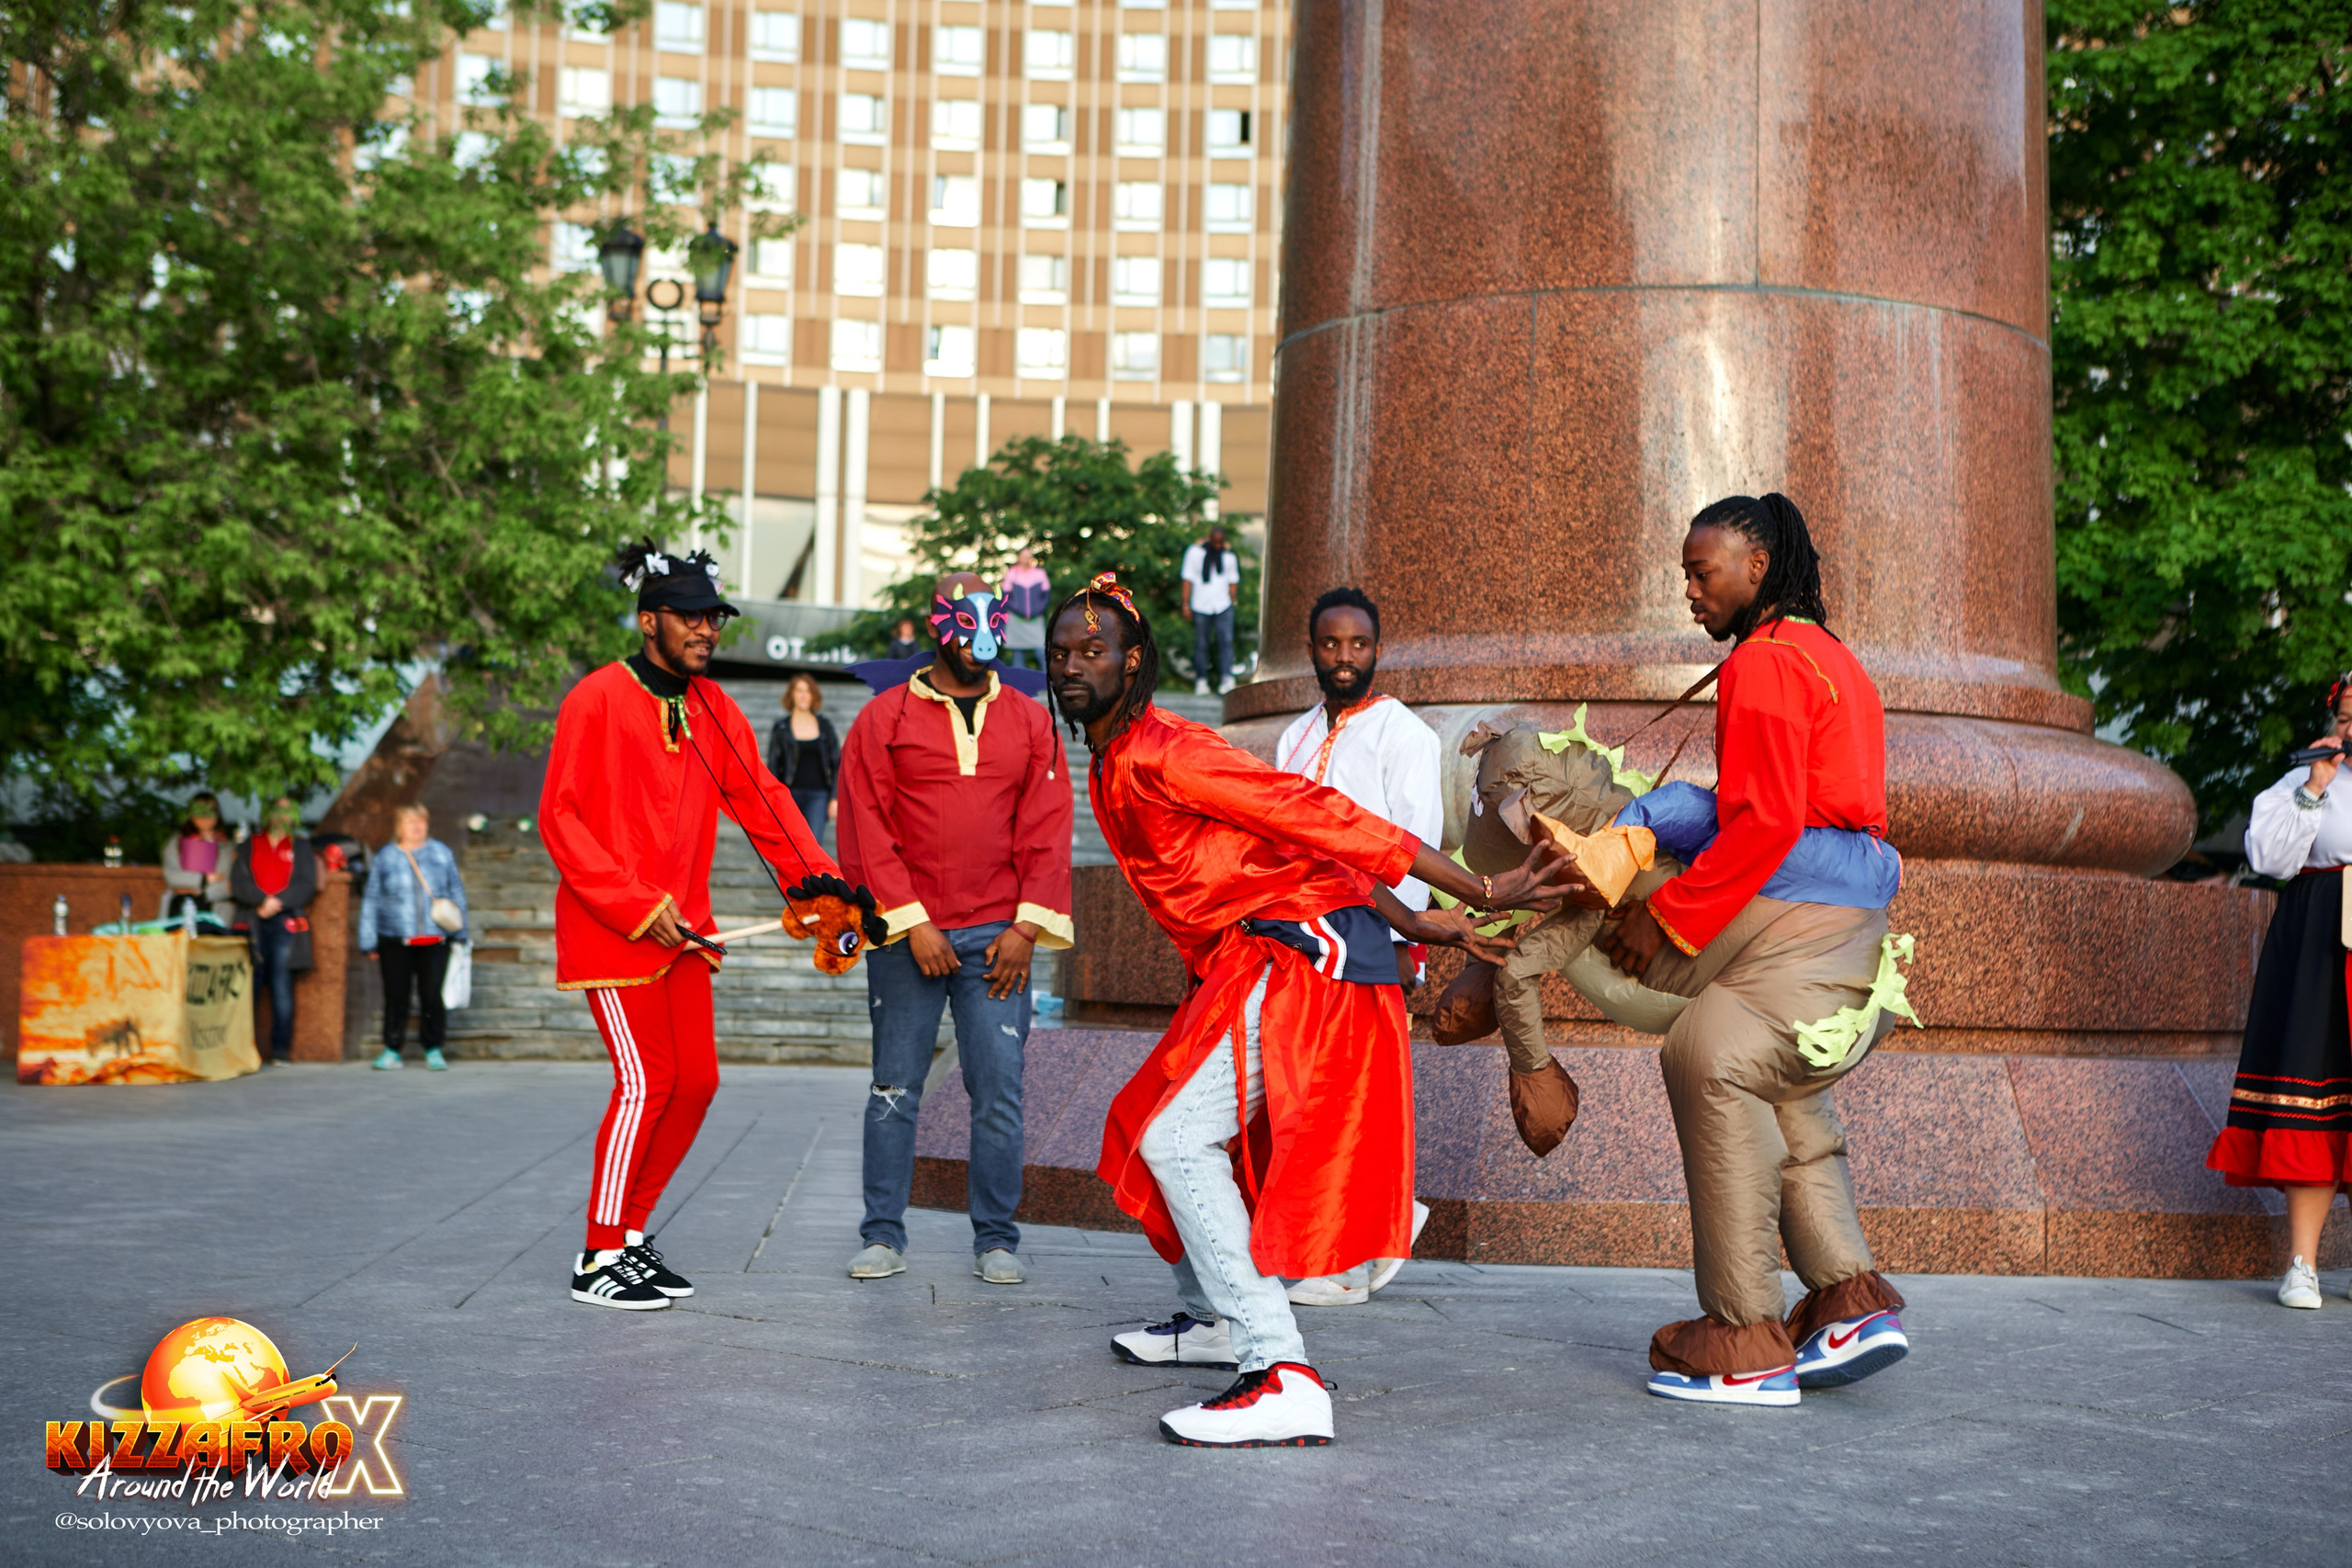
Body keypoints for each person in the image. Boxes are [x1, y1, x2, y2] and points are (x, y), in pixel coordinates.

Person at [1049, 572, 1572, 1447]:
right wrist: (1421, 920)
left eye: (1093, 651)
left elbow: (1318, 816)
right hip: (1255, 957)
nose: (1073, 665)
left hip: (1302, 963)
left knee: (1177, 1139)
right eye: (1061, 651)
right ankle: (1218, 1318)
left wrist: (1479, 886)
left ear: (1132, 661)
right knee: (1149, 1118)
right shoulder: (1110, 758)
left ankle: (1279, 1368)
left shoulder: (1167, 750)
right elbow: (1290, 852)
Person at [1596, 492, 1913, 1407]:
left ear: (1758, 569)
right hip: (1851, 925)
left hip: (1801, 911)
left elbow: (1765, 820)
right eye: (1686, 575)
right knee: (1783, 1097)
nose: (1691, 592)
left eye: (1703, 573)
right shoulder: (1829, 657)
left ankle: (1741, 1340)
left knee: (1710, 1057)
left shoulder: (1765, 663)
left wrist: (1671, 914)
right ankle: (1849, 1301)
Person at [541, 540, 873, 1313]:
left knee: (697, 1082)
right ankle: (597, 1253)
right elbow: (559, 819)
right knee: (645, 1082)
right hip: (613, 930)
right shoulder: (594, 696)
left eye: (712, 617)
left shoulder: (716, 708)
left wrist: (819, 885)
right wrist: (634, 904)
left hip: (687, 930)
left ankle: (627, 1235)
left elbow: (762, 799)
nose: (705, 629)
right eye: (689, 616)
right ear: (647, 618)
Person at [839, 572, 1074, 1284]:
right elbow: (865, 825)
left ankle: (997, 1237)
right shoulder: (883, 719)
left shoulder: (1031, 720)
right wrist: (911, 922)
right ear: (939, 626)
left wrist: (1027, 929)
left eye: (991, 625)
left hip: (998, 939)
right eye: (966, 625)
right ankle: (883, 1233)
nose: (980, 641)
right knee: (894, 1086)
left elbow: (1047, 828)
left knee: (998, 1086)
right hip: (910, 938)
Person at [1271, 586, 1443, 1308]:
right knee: (1311, 1096)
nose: (1345, 658)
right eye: (1331, 644)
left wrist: (1413, 949)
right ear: (1312, 649)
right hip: (1299, 938)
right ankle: (1368, 1227)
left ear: (1378, 650)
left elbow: (1419, 843)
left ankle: (1353, 1250)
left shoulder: (1404, 734)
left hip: (1373, 936)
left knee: (1358, 1100)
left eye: (1358, 645)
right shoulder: (1294, 735)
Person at [2207, 675, 2352, 1309]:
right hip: (2320, 936)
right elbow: (2268, 856)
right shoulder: (2302, 783)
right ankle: (2303, 1263)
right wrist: (2317, 786)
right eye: (2347, 715)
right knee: (2310, 1096)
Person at [359, 804, 469, 1072]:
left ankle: (433, 1048)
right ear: (399, 827)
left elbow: (456, 892)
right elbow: (371, 899)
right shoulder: (385, 856)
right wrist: (368, 940)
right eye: (410, 822)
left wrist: (460, 933)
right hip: (395, 938)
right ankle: (392, 1049)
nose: (416, 827)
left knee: (432, 996)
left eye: (421, 821)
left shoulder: (441, 853)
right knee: (396, 995)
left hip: (435, 939)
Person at [230, 797, 319, 1066]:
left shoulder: (300, 846)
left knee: (281, 986)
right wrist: (260, 901)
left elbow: (306, 883)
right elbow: (238, 880)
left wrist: (277, 902)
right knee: (250, 987)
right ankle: (245, 1049)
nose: (283, 816)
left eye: (288, 810)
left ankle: (280, 1050)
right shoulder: (249, 845)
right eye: (277, 810)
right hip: (254, 920)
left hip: (284, 921)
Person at [767, 673, 841, 848]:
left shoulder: (825, 726)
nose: (803, 695)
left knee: (813, 847)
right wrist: (774, 800)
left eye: (808, 691)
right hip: (790, 797)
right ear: (791, 694)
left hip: (819, 797)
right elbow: (773, 767)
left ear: (813, 695)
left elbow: (837, 763)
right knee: (792, 848)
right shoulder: (781, 728)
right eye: (799, 690)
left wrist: (835, 798)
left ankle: (811, 877)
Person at [1179, 525, 1242, 695]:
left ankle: (1227, 678)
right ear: (1209, 538)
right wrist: (1185, 604)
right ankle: (1201, 680)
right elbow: (1187, 578)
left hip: (1223, 605)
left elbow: (1233, 580)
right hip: (1200, 604)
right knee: (1201, 644)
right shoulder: (1195, 552)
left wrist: (1232, 599)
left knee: (1226, 641)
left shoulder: (1228, 556)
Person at [161, 793, 232, 924]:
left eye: (210, 811)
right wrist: (204, 880)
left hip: (215, 911)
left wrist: (203, 893)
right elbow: (171, 876)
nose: (205, 816)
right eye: (200, 811)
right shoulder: (176, 842)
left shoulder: (226, 846)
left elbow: (229, 884)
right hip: (179, 908)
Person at [999, 547, 1053, 670]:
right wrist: (1018, 610)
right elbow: (1006, 597)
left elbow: (1045, 596)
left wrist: (1038, 609)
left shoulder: (1039, 574)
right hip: (1016, 618)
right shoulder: (1012, 573)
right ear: (1019, 557)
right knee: (1018, 654)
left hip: (1035, 618)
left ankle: (1048, 682)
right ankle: (1019, 685)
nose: (1026, 559)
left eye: (1028, 556)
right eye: (1024, 556)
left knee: (1041, 651)